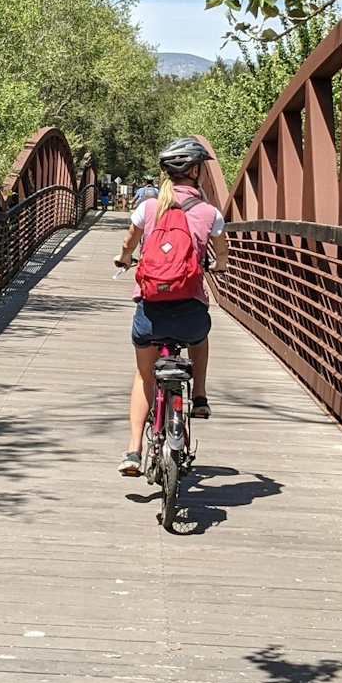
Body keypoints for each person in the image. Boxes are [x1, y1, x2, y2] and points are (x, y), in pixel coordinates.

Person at [112, 137, 228, 476]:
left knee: (144, 376)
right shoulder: (209, 212)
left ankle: (134, 450)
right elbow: (222, 253)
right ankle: (201, 397)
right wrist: (218, 264)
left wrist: (123, 259)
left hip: (150, 314)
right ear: (194, 171)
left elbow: (127, 243)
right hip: (190, 313)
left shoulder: (148, 208)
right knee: (200, 336)